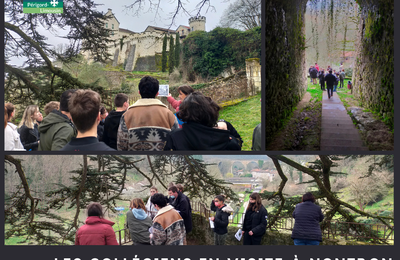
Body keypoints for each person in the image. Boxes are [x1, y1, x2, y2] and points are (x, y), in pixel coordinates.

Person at [117, 76, 178, 151]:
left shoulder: (126, 115)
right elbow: (177, 143)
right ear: (157, 93)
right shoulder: (169, 115)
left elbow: (121, 146)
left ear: (139, 92)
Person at [164, 92, 241, 150]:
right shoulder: (224, 138)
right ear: (211, 111)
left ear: (184, 112)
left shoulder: (175, 136)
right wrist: (227, 129)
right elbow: (238, 144)